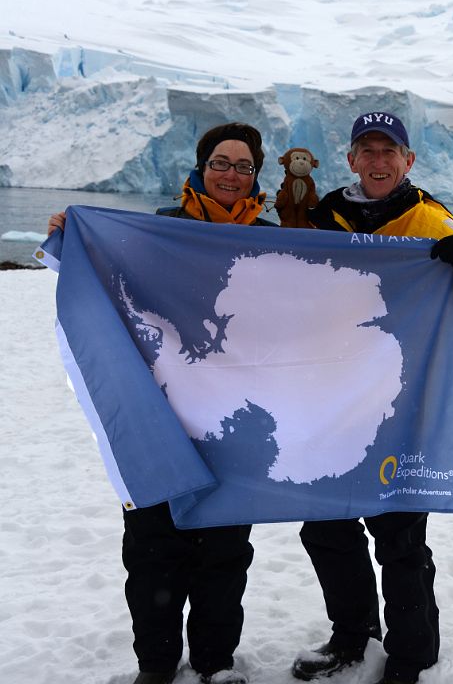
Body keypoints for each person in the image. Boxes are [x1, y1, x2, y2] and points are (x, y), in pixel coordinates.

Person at [49, 122, 274, 684]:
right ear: (199, 169)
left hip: (235, 419)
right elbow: (105, 275)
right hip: (158, 414)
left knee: (224, 551)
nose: (231, 174)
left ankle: (214, 663)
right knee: (152, 548)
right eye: (221, 162)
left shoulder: (273, 241)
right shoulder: (155, 232)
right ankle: (155, 665)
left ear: (255, 178)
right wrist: (71, 236)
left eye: (244, 166)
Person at [291, 111, 453, 684]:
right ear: (351, 160)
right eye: (369, 150)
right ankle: (352, 635)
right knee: (327, 527)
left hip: (397, 403)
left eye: (391, 151)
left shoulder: (430, 221)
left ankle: (413, 654)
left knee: (399, 533)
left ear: (408, 161)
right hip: (329, 399)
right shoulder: (320, 219)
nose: (379, 161)